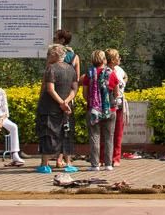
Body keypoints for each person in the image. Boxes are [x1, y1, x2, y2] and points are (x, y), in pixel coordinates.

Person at [38, 43, 78, 175]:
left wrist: (61, 102)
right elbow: (74, 89)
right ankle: (69, 163)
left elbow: (49, 89)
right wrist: (66, 102)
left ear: (55, 55)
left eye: (49, 54)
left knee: (47, 133)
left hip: (49, 107)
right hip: (66, 107)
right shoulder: (71, 69)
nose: (47, 57)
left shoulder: (51, 69)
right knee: (66, 133)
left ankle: (45, 164)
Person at [81, 49, 117, 169]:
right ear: (104, 60)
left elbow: (85, 95)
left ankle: (95, 165)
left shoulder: (89, 74)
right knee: (109, 137)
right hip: (110, 109)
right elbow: (116, 93)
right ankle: (108, 165)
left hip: (93, 110)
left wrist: (94, 103)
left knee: (94, 136)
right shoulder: (111, 73)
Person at [106, 48, 128, 165]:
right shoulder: (106, 71)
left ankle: (116, 158)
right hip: (108, 105)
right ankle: (104, 157)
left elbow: (125, 76)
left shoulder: (119, 69)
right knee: (107, 133)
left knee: (118, 132)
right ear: (113, 59)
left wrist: (124, 81)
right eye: (118, 57)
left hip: (119, 104)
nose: (120, 58)